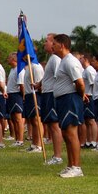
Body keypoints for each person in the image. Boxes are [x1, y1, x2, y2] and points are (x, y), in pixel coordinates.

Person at [51, 34, 86, 178]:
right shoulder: (63, 61)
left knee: (71, 133)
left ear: (62, 45)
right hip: (63, 99)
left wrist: (80, 95)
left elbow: (79, 82)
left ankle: (76, 167)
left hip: (70, 99)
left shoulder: (70, 62)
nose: (52, 46)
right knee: (66, 133)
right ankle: (70, 165)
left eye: (54, 43)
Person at [38, 34, 63, 165]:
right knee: (51, 125)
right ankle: (56, 155)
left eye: (46, 41)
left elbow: (58, 77)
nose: (45, 44)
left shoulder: (55, 60)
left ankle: (58, 156)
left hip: (52, 94)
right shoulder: (51, 59)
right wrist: (40, 84)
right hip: (46, 93)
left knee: (54, 125)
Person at [18, 60, 44, 152]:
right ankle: (34, 144)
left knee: (37, 120)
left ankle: (39, 145)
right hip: (29, 95)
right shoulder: (28, 67)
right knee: (32, 121)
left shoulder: (36, 67)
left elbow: (40, 85)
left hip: (35, 95)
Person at [5, 53, 25, 147]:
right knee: (13, 118)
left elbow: (21, 85)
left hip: (16, 96)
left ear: (14, 59)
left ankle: (20, 140)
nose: (7, 59)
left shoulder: (19, 70)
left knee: (18, 118)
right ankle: (17, 139)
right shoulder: (12, 70)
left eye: (9, 57)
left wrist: (23, 96)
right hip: (11, 95)